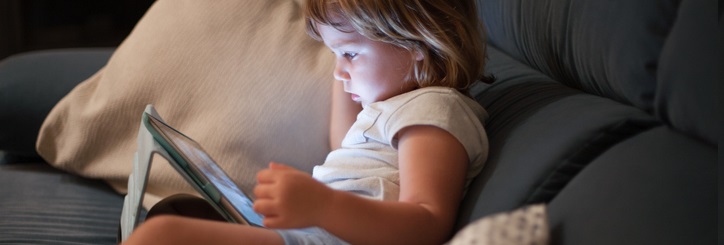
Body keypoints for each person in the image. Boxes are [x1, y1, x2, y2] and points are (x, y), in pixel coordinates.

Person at [122, 0, 491, 244]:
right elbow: (340, 141)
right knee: (178, 211)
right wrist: (345, 68)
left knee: (164, 235)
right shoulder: (396, 107)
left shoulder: (435, 109)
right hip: (308, 234)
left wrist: (324, 206)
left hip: (321, 238)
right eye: (334, 54)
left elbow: (428, 221)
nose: (339, 71)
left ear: (417, 44)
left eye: (349, 53)